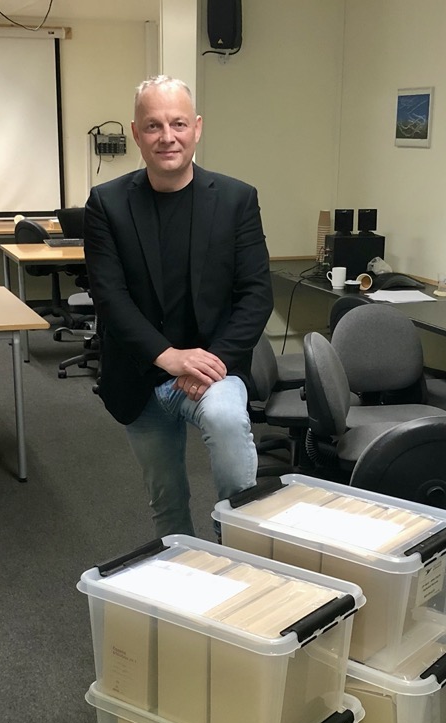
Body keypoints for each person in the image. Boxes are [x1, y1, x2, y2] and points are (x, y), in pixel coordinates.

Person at [83, 75, 274, 538]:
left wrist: (208, 363)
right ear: (135, 133)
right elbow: (110, 297)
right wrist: (168, 358)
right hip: (142, 372)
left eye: (178, 123)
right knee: (166, 500)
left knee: (228, 420)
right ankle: (181, 568)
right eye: (153, 126)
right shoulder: (107, 204)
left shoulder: (236, 199)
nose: (167, 137)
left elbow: (256, 294)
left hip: (213, 367)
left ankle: (240, 541)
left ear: (198, 128)